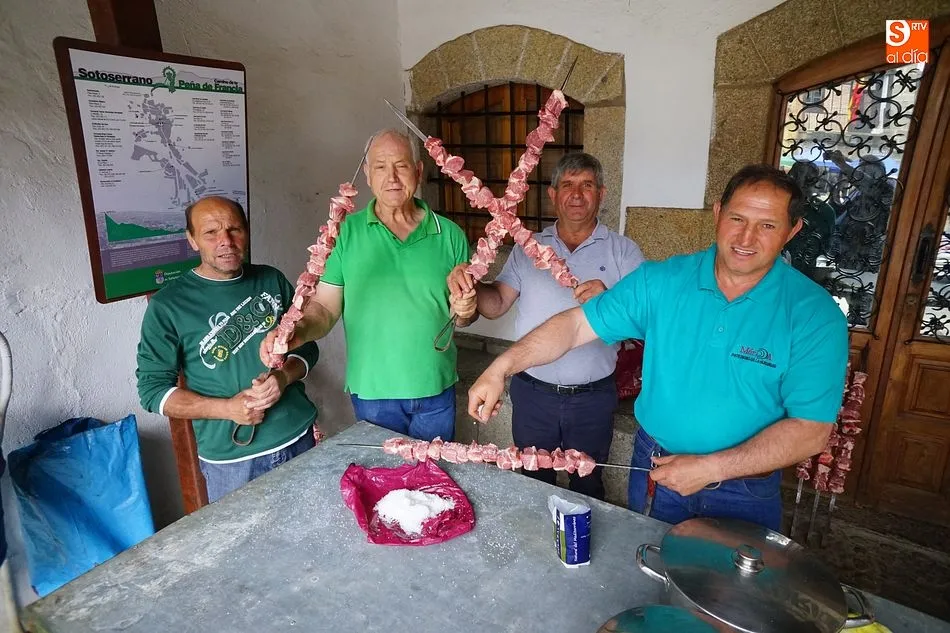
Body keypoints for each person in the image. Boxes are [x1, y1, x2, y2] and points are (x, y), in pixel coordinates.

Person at [467, 164, 849, 531]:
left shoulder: (814, 315)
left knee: (728, 593)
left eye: (767, 225)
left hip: (745, 488)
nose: (747, 239)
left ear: (792, 229)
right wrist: (502, 367)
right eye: (737, 219)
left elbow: (810, 430)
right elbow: (575, 326)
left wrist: (711, 468)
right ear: (718, 213)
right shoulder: (663, 281)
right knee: (649, 572)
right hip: (657, 465)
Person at [447, 153, 644, 500]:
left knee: (588, 485)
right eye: (567, 185)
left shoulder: (624, 252)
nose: (577, 194)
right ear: (553, 195)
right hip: (533, 393)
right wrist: (472, 288)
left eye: (586, 185)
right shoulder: (529, 248)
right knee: (532, 484)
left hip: (593, 397)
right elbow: (496, 305)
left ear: (602, 193)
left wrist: (611, 299)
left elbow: (643, 323)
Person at [260, 130, 475, 442]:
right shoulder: (343, 233)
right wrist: (296, 332)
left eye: (401, 166)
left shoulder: (450, 234)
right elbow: (324, 308)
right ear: (367, 175)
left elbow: (464, 315)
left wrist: (466, 309)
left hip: (436, 388)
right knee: (383, 483)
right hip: (374, 393)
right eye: (380, 167)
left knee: (432, 482)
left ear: (418, 171)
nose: (392, 177)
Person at [137, 196, 321, 503]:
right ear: (192, 240)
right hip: (233, 462)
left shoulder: (271, 279)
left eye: (235, 229)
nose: (226, 241)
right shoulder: (168, 305)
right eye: (211, 233)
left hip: (297, 436)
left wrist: (283, 378)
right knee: (249, 549)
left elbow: (309, 349)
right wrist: (227, 409)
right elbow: (153, 393)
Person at [782, 161, 836, 278]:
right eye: (799, 177)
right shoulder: (780, 205)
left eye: (806, 179)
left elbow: (827, 245)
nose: (801, 183)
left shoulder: (825, 211)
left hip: (808, 267)